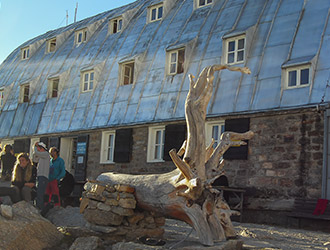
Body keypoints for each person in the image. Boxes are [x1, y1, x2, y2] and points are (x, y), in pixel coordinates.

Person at [33, 142, 50, 210]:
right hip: (40, 176)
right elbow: (34, 159)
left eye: (39, 148)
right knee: (38, 192)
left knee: (40, 193)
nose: (38, 149)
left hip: (43, 176)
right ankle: (38, 206)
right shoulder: (41, 156)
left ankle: (40, 207)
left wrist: (34, 148)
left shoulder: (46, 154)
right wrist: (35, 153)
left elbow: (36, 153)